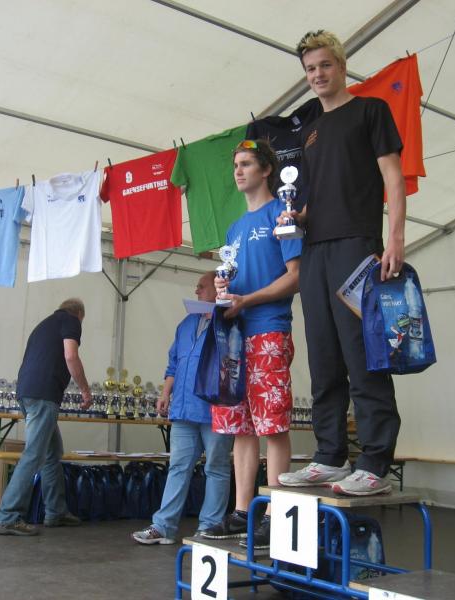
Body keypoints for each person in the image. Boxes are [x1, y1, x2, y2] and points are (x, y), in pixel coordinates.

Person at [277, 30, 407, 496]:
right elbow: (316, 196)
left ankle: (375, 462)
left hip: (357, 246)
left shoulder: (371, 110)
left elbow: (394, 178)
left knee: (363, 353)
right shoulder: (310, 131)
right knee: (324, 355)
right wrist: (297, 217)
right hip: (315, 249)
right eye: (310, 69)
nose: (318, 75)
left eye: (325, 65)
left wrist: (395, 239)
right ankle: (330, 455)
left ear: (342, 65)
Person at [200, 139, 302, 549]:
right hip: (235, 338)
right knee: (240, 427)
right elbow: (235, 279)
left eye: (246, 164)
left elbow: (295, 276)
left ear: (266, 170)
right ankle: (243, 512)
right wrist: (224, 290)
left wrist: (249, 300)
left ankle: (276, 513)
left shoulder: (282, 213)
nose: (238, 171)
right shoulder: (234, 228)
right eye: (236, 165)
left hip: (269, 330)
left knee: (272, 424)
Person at [131, 272, 233, 545]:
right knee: (178, 466)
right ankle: (163, 526)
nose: (196, 290)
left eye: (201, 286)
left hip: (216, 409)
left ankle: (209, 527)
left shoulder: (229, 320)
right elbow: (173, 363)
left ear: (217, 289)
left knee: (217, 467)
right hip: (184, 409)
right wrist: (165, 394)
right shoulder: (186, 324)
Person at [0, 298, 92, 535]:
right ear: (79, 314)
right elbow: (71, 356)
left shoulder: (43, 325)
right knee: (34, 455)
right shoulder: (71, 320)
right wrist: (85, 390)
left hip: (27, 392)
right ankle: (8, 516)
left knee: (51, 453)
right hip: (44, 395)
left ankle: (56, 511)